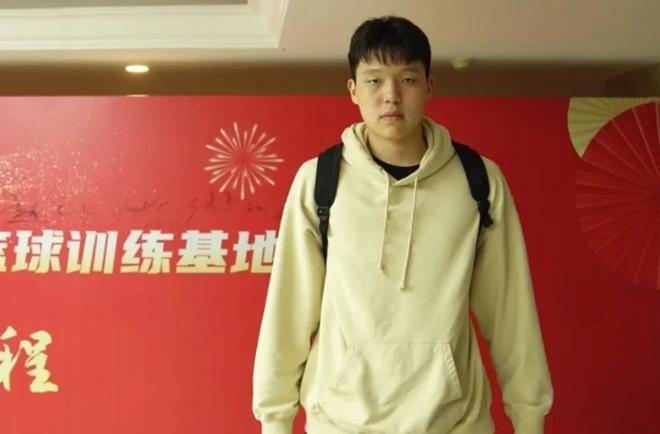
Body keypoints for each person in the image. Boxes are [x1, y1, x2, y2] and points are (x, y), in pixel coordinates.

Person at [252, 15, 553, 434]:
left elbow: (511, 312)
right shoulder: (320, 180)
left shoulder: (477, 180)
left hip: (454, 423)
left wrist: (529, 417)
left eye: (407, 79)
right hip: (341, 423)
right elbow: (289, 309)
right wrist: (275, 421)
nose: (391, 95)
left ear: (429, 86)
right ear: (353, 90)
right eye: (374, 81)